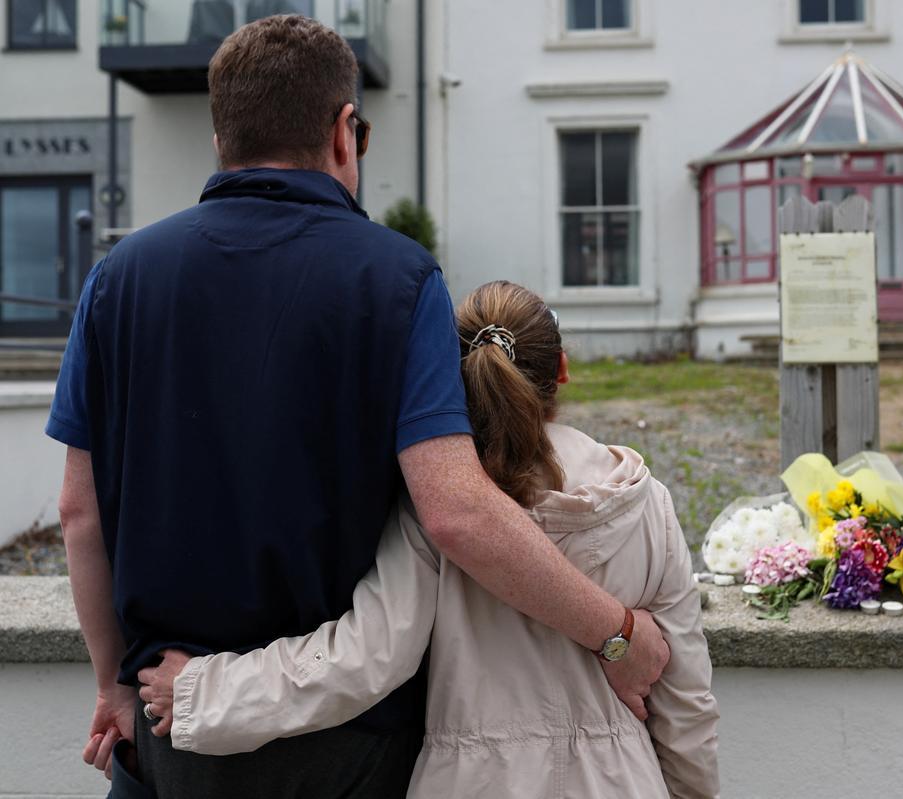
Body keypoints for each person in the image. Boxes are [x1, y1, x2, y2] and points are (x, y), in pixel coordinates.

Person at [46, 15, 667, 796]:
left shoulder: (119, 277)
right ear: (346, 131)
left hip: (170, 736)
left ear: (219, 138)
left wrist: (113, 688)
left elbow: (79, 512)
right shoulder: (396, 278)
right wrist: (619, 636)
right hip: (343, 749)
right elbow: (456, 512)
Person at [138, 281, 720, 798]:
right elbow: (686, 699)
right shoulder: (647, 503)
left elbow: (362, 660)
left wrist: (203, 694)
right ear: (562, 370)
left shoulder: (434, 506)